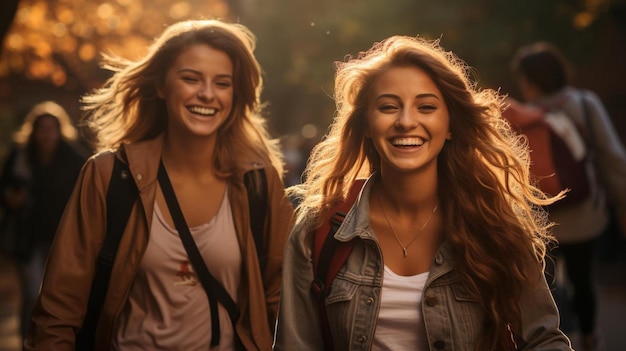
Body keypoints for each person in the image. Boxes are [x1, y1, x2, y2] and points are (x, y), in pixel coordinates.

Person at [274, 36, 573, 350]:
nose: (406, 121)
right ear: (365, 125)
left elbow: (544, 339)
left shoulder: (495, 225)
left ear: (450, 125)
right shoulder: (317, 231)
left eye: (426, 107)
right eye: (388, 107)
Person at [23, 19, 294, 350]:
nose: (207, 93)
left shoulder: (259, 181)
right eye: (191, 78)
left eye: (222, 83)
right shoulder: (109, 176)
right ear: (161, 86)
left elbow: (280, 298)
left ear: (235, 95)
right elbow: (57, 311)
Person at [505, 41, 626, 351]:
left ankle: (555, 339)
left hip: (542, 219)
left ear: (528, 80)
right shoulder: (584, 103)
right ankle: (589, 338)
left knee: (547, 286)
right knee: (584, 281)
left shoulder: (522, 115)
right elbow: (612, 158)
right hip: (587, 215)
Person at [0, 100, 87, 338]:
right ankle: (28, 340)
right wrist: (10, 198)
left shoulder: (74, 159)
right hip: (27, 238)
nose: (47, 134)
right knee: (31, 294)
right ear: (34, 130)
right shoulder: (20, 157)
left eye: (52, 128)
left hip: (62, 237)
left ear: (60, 131)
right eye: (42, 128)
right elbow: (4, 188)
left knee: (58, 295)